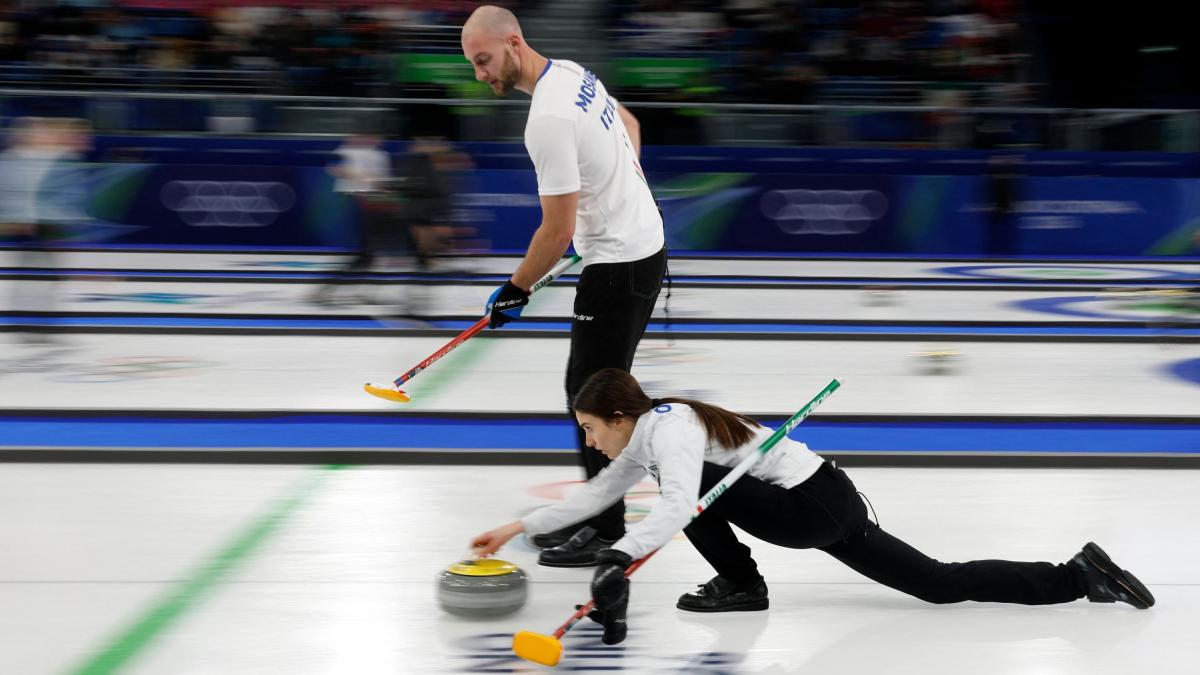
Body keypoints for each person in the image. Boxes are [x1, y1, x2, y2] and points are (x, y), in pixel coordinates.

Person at [470, 368, 1155, 646]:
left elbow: (678, 502)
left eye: (591, 426)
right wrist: (513, 527)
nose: (588, 439)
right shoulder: (650, 432)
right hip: (825, 504)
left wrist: (619, 556)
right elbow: (601, 492)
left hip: (809, 506)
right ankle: (1077, 574)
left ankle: (740, 583)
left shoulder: (672, 431)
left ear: (620, 415)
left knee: (694, 495)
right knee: (941, 583)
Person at [461, 6, 667, 566]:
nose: (481, 76)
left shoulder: (547, 118)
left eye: (484, 61)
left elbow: (557, 231)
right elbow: (631, 127)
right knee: (601, 392)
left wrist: (514, 289)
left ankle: (605, 528)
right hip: (642, 247)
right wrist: (620, 193)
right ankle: (604, 513)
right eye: (473, 66)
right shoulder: (573, 73)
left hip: (618, 265)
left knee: (591, 399)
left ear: (512, 42)